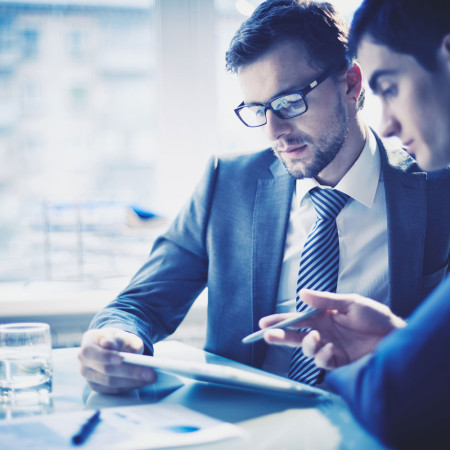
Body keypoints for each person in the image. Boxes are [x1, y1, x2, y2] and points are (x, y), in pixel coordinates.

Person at [78, 0, 449, 395]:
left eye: (289, 103)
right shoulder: (227, 183)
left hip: (374, 423)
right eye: (258, 110)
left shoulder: (435, 187)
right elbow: (140, 304)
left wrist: (398, 347)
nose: (274, 131)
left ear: (351, 83)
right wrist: (114, 338)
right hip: (245, 426)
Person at [260, 0, 450, 447]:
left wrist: (384, 369)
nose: (385, 121)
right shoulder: (229, 180)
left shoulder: (433, 191)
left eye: (390, 86)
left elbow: (390, 402)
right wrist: (397, 344)